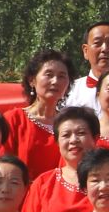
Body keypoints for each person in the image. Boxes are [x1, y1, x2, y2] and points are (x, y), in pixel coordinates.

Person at [22, 106, 99, 212]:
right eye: (66, 135)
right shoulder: (43, 183)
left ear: (95, 138)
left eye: (81, 133)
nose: (73, 140)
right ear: (57, 142)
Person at [6, 50, 74, 178]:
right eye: (49, 74)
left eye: (61, 76)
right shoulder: (15, 119)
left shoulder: (70, 124)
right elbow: (2, 165)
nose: (55, 81)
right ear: (32, 80)